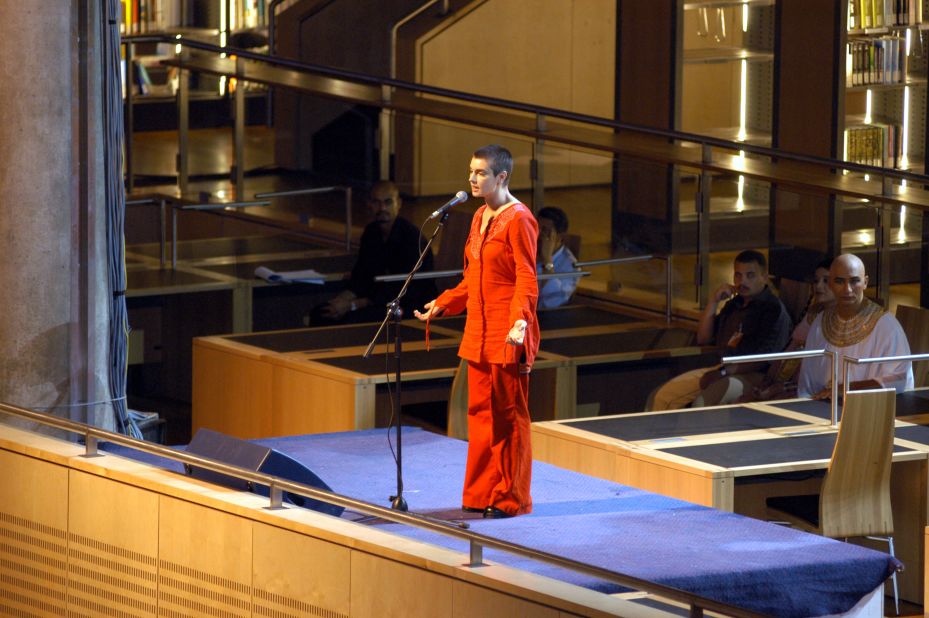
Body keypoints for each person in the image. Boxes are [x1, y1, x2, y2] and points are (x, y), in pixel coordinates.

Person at [414, 145, 539, 519]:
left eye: (481, 173)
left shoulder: (519, 219)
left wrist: (521, 319)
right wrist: (445, 302)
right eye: (471, 171)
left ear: (502, 177)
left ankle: (509, 497)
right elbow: (473, 278)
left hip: (507, 331)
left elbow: (526, 277)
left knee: (508, 417)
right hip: (478, 331)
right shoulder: (479, 216)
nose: (472, 178)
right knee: (480, 413)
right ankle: (480, 492)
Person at [647, 250, 792, 411]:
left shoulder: (772, 309)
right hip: (722, 367)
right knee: (659, 395)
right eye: (738, 275)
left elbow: (763, 359)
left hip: (753, 374)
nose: (742, 281)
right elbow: (704, 338)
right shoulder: (735, 304)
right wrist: (713, 302)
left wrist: (723, 372)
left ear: (764, 277)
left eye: (750, 275)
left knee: (700, 403)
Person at [314, 181, 436, 324]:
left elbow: (404, 289)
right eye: (376, 202)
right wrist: (341, 300)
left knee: (350, 319)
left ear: (399, 204)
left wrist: (353, 305)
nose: (382, 208)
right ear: (369, 205)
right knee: (321, 313)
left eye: (388, 202)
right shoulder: (371, 232)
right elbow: (361, 275)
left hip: (408, 304)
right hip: (376, 298)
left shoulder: (412, 237)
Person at [798, 253, 913, 398]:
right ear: (831, 284)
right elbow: (806, 380)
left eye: (854, 281)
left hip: (867, 409)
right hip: (820, 406)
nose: (847, 289)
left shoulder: (887, 326)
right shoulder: (820, 322)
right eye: (839, 281)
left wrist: (846, 389)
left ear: (865, 282)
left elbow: (899, 379)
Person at [731, 258, 834, 403]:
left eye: (826, 281)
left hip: (812, 390)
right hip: (785, 381)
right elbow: (790, 350)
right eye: (816, 281)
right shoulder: (813, 313)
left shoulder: (840, 322)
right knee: (743, 402)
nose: (819, 286)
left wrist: (777, 389)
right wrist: (769, 381)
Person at [536, 206, 580, 309]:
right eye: (536, 228)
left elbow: (554, 302)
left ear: (560, 237)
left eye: (545, 231)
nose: (538, 235)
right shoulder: (526, 250)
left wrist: (547, 260)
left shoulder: (571, 267)